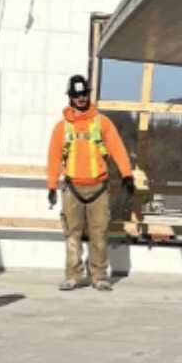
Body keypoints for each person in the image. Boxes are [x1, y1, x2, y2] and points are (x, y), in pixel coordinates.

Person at [46, 74, 134, 291]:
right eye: (76, 95)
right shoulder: (62, 127)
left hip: (99, 188)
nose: (81, 98)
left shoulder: (102, 123)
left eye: (84, 93)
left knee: (99, 234)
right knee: (72, 235)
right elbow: (54, 156)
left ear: (88, 94)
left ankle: (99, 276)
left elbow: (117, 148)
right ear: (70, 97)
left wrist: (127, 174)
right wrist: (51, 185)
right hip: (72, 188)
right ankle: (73, 276)